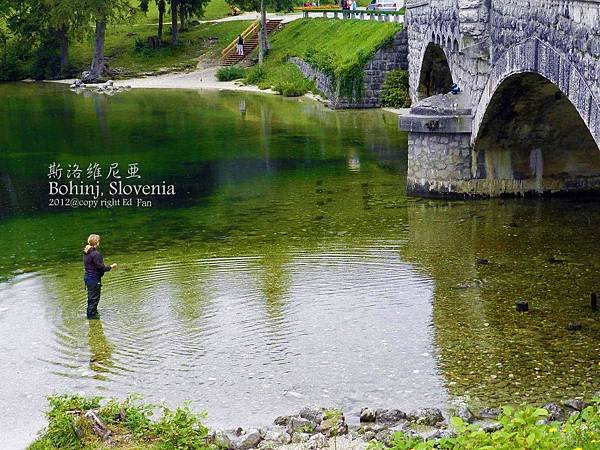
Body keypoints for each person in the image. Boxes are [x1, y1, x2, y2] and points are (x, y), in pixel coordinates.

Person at [83, 234, 117, 319]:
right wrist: (111, 266)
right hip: (93, 279)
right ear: (97, 242)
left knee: (91, 297)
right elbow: (101, 268)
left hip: (88, 277)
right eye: (98, 241)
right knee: (94, 298)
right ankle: (92, 318)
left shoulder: (87, 251)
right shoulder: (95, 254)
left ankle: (92, 313)